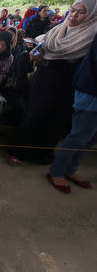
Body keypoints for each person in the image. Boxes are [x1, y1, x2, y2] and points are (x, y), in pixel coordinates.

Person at [8, 0, 97, 165]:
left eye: (81, 12)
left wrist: (44, 59)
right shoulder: (59, 29)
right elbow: (45, 44)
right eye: (72, 10)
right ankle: (17, 151)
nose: (74, 15)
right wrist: (35, 49)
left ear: (92, 14)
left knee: (55, 119)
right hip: (43, 79)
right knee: (34, 113)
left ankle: (42, 155)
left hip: (65, 84)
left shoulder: (91, 36)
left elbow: (80, 64)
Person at [47, 33, 97, 194]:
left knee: (91, 138)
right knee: (80, 135)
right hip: (92, 91)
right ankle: (57, 171)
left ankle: (70, 168)